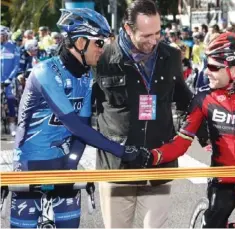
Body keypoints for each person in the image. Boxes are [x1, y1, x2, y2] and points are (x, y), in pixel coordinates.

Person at [132, 32, 235, 228]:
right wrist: (152, 155)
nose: (206, 72)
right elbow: (181, 143)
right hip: (223, 180)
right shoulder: (203, 98)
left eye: (214, 67)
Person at [11, 8, 140, 228]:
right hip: (30, 163)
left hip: (63, 164)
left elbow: (84, 125)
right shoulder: (45, 72)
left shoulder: (86, 76)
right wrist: (121, 151)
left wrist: (71, 162)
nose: (103, 49)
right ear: (80, 43)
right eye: (99, 43)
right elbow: (75, 126)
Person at [93, 0, 207, 228]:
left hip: (159, 162)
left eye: (157, 33)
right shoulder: (102, 58)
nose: (154, 41)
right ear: (127, 29)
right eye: (146, 35)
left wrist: (208, 132)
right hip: (117, 165)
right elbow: (89, 108)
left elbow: (183, 97)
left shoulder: (171, 56)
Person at [1, 25, 20, 137]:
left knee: (10, 101)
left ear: (5, 35)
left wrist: (10, 78)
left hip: (9, 80)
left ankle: (13, 126)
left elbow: (16, 66)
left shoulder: (13, 47)